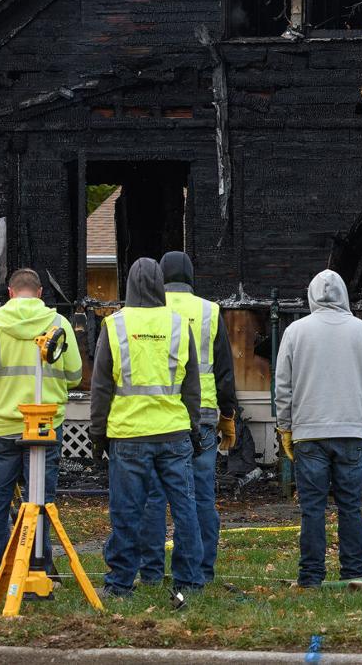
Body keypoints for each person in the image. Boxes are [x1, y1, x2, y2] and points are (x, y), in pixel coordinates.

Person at [90, 257, 207, 603]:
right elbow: (192, 386)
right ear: (160, 284)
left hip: (128, 437)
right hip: (174, 434)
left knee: (127, 512)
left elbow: (101, 387)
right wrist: (194, 428)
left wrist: (98, 435)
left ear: (128, 285)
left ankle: (120, 583)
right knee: (185, 509)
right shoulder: (177, 325)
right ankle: (189, 580)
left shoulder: (115, 326)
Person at [0, 267, 83, 590]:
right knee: (41, 499)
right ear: (40, 293)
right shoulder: (59, 324)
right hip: (44, 428)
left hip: (2, 427)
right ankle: (40, 568)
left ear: (11, 293)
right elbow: (75, 376)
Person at [273, 269, 362, 588]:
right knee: (351, 506)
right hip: (352, 432)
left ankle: (311, 576)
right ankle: (354, 574)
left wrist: (285, 426)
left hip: (308, 434)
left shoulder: (295, 332)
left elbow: (283, 386)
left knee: (312, 509)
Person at [136, 251, 240, 588]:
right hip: (204, 419)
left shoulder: (148, 312)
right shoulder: (209, 312)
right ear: (192, 276)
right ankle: (199, 571)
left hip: (158, 418)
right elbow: (224, 372)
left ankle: (151, 573)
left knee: (154, 497)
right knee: (200, 498)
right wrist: (228, 415)